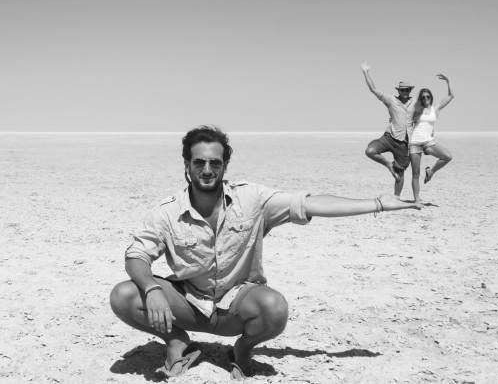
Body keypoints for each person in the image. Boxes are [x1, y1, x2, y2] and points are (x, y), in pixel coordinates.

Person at [110, 125, 421, 380]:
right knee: (124, 295)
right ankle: (177, 339)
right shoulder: (167, 212)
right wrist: (151, 288)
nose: (207, 170)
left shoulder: (252, 199)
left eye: (215, 163)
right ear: (187, 165)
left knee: (274, 307)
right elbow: (137, 255)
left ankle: (242, 350)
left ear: (225, 166)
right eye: (199, 162)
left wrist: (378, 204)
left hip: (235, 307)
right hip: (187, 304)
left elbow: (310, 203)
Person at [361, 61, 416, 198]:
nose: (405, 92)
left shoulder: (415, 102)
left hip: (405, 141)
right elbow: (373, 90)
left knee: (401, 170)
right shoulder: (391, 99)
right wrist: (366, 72)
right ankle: (388, 165)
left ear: (410, 90)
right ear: (398, 90)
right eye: (402, 90)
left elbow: (426, 112)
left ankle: (396, 197)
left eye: (407, 90)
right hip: (390, 137)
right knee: (370, 151)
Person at [409, 74, 454, 202]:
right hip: (415, 143)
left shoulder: (436, 109)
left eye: (428, 96)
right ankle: (416, 200)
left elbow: (451, 96)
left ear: (431, 97)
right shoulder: (416, 110)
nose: (425, 99)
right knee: (415, 173)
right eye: (423, 97)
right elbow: (406, 121)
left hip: (428, 142)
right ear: (421, 99)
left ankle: (431, 172)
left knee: (447, 156)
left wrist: (448, 81)